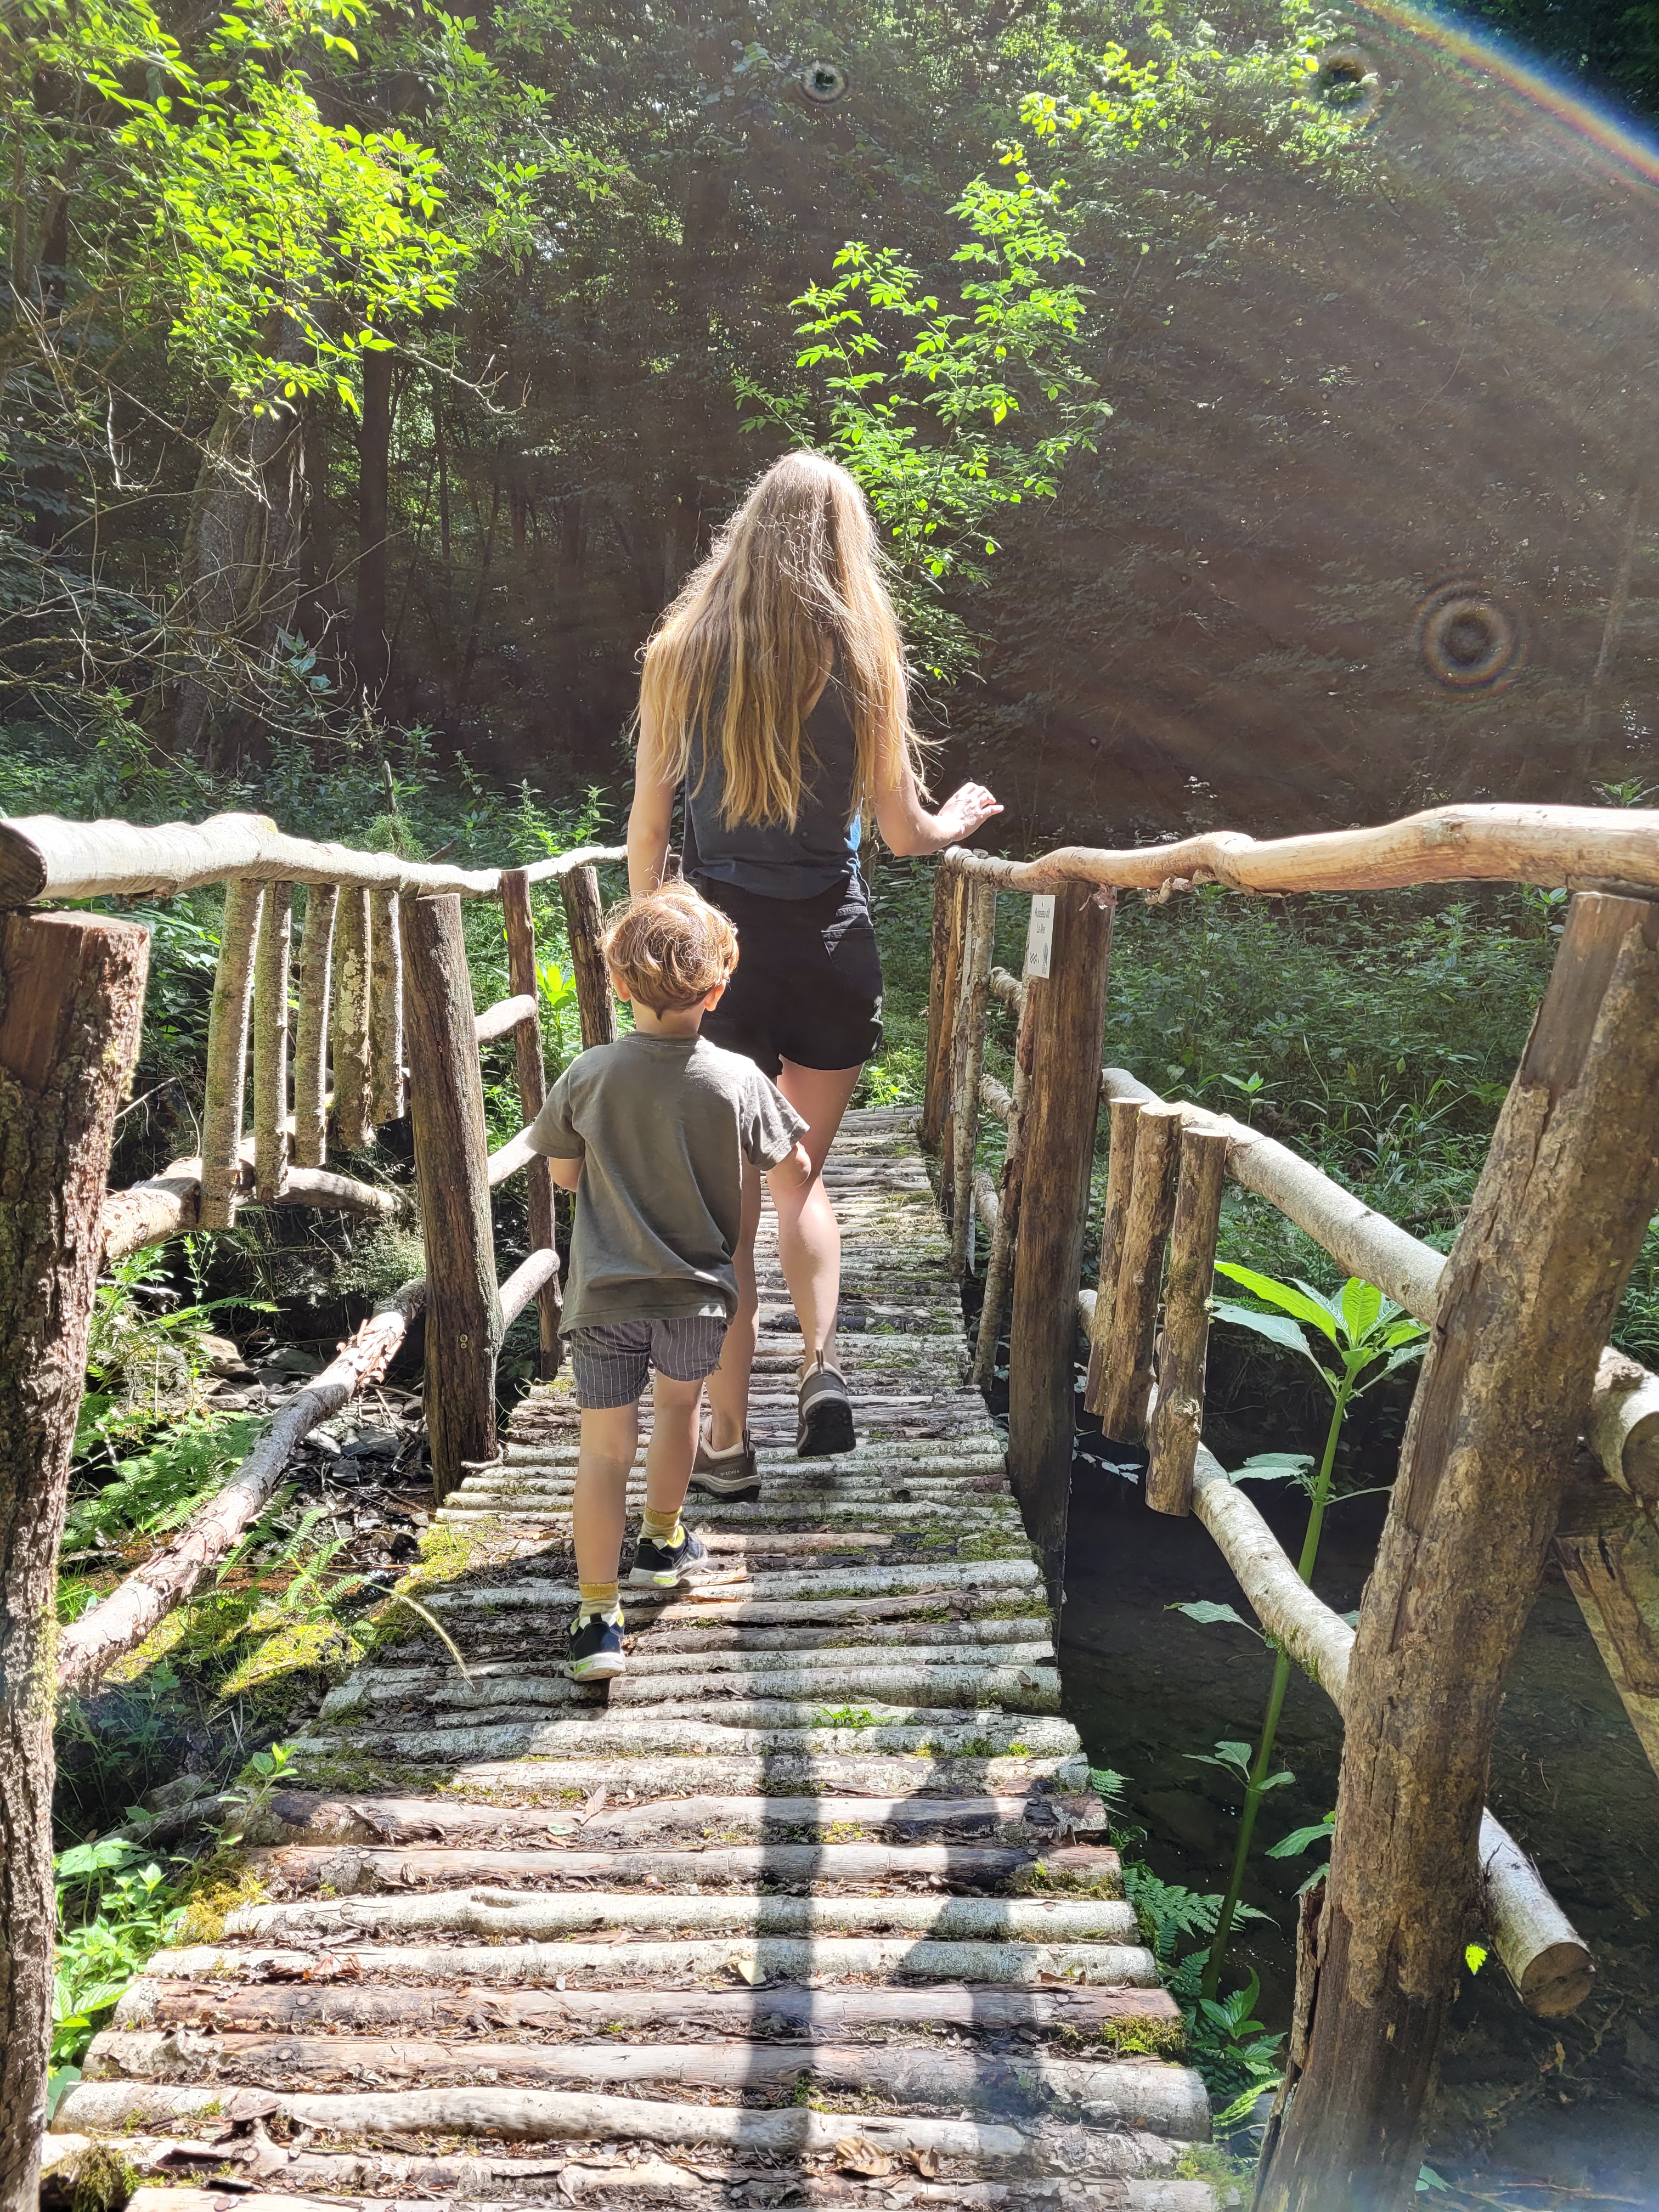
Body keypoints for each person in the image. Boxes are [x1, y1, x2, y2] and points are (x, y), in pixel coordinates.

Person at [627, 447, 1001, 1488]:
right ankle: (821, 1369)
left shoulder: (679, 655)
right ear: (844, 542)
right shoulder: (865, 658)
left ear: (747, 533)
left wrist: (654, 947)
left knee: (727, 1211)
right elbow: (904, 833)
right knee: (797, 1174)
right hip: (833, 949)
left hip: (719, 957)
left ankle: (726, 1442)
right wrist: (954, 819)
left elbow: (649, 830)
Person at [530, 883, 812, 1680]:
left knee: (602, 1452)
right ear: (718, 990)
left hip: (603, 1297)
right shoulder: (738, 1078)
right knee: (681, 1411)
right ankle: (660, 1540)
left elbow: (563, 1175)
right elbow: (793, 1166)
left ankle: (597, 1619)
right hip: (697, 1297)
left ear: (620, 983)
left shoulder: (589, 1073)